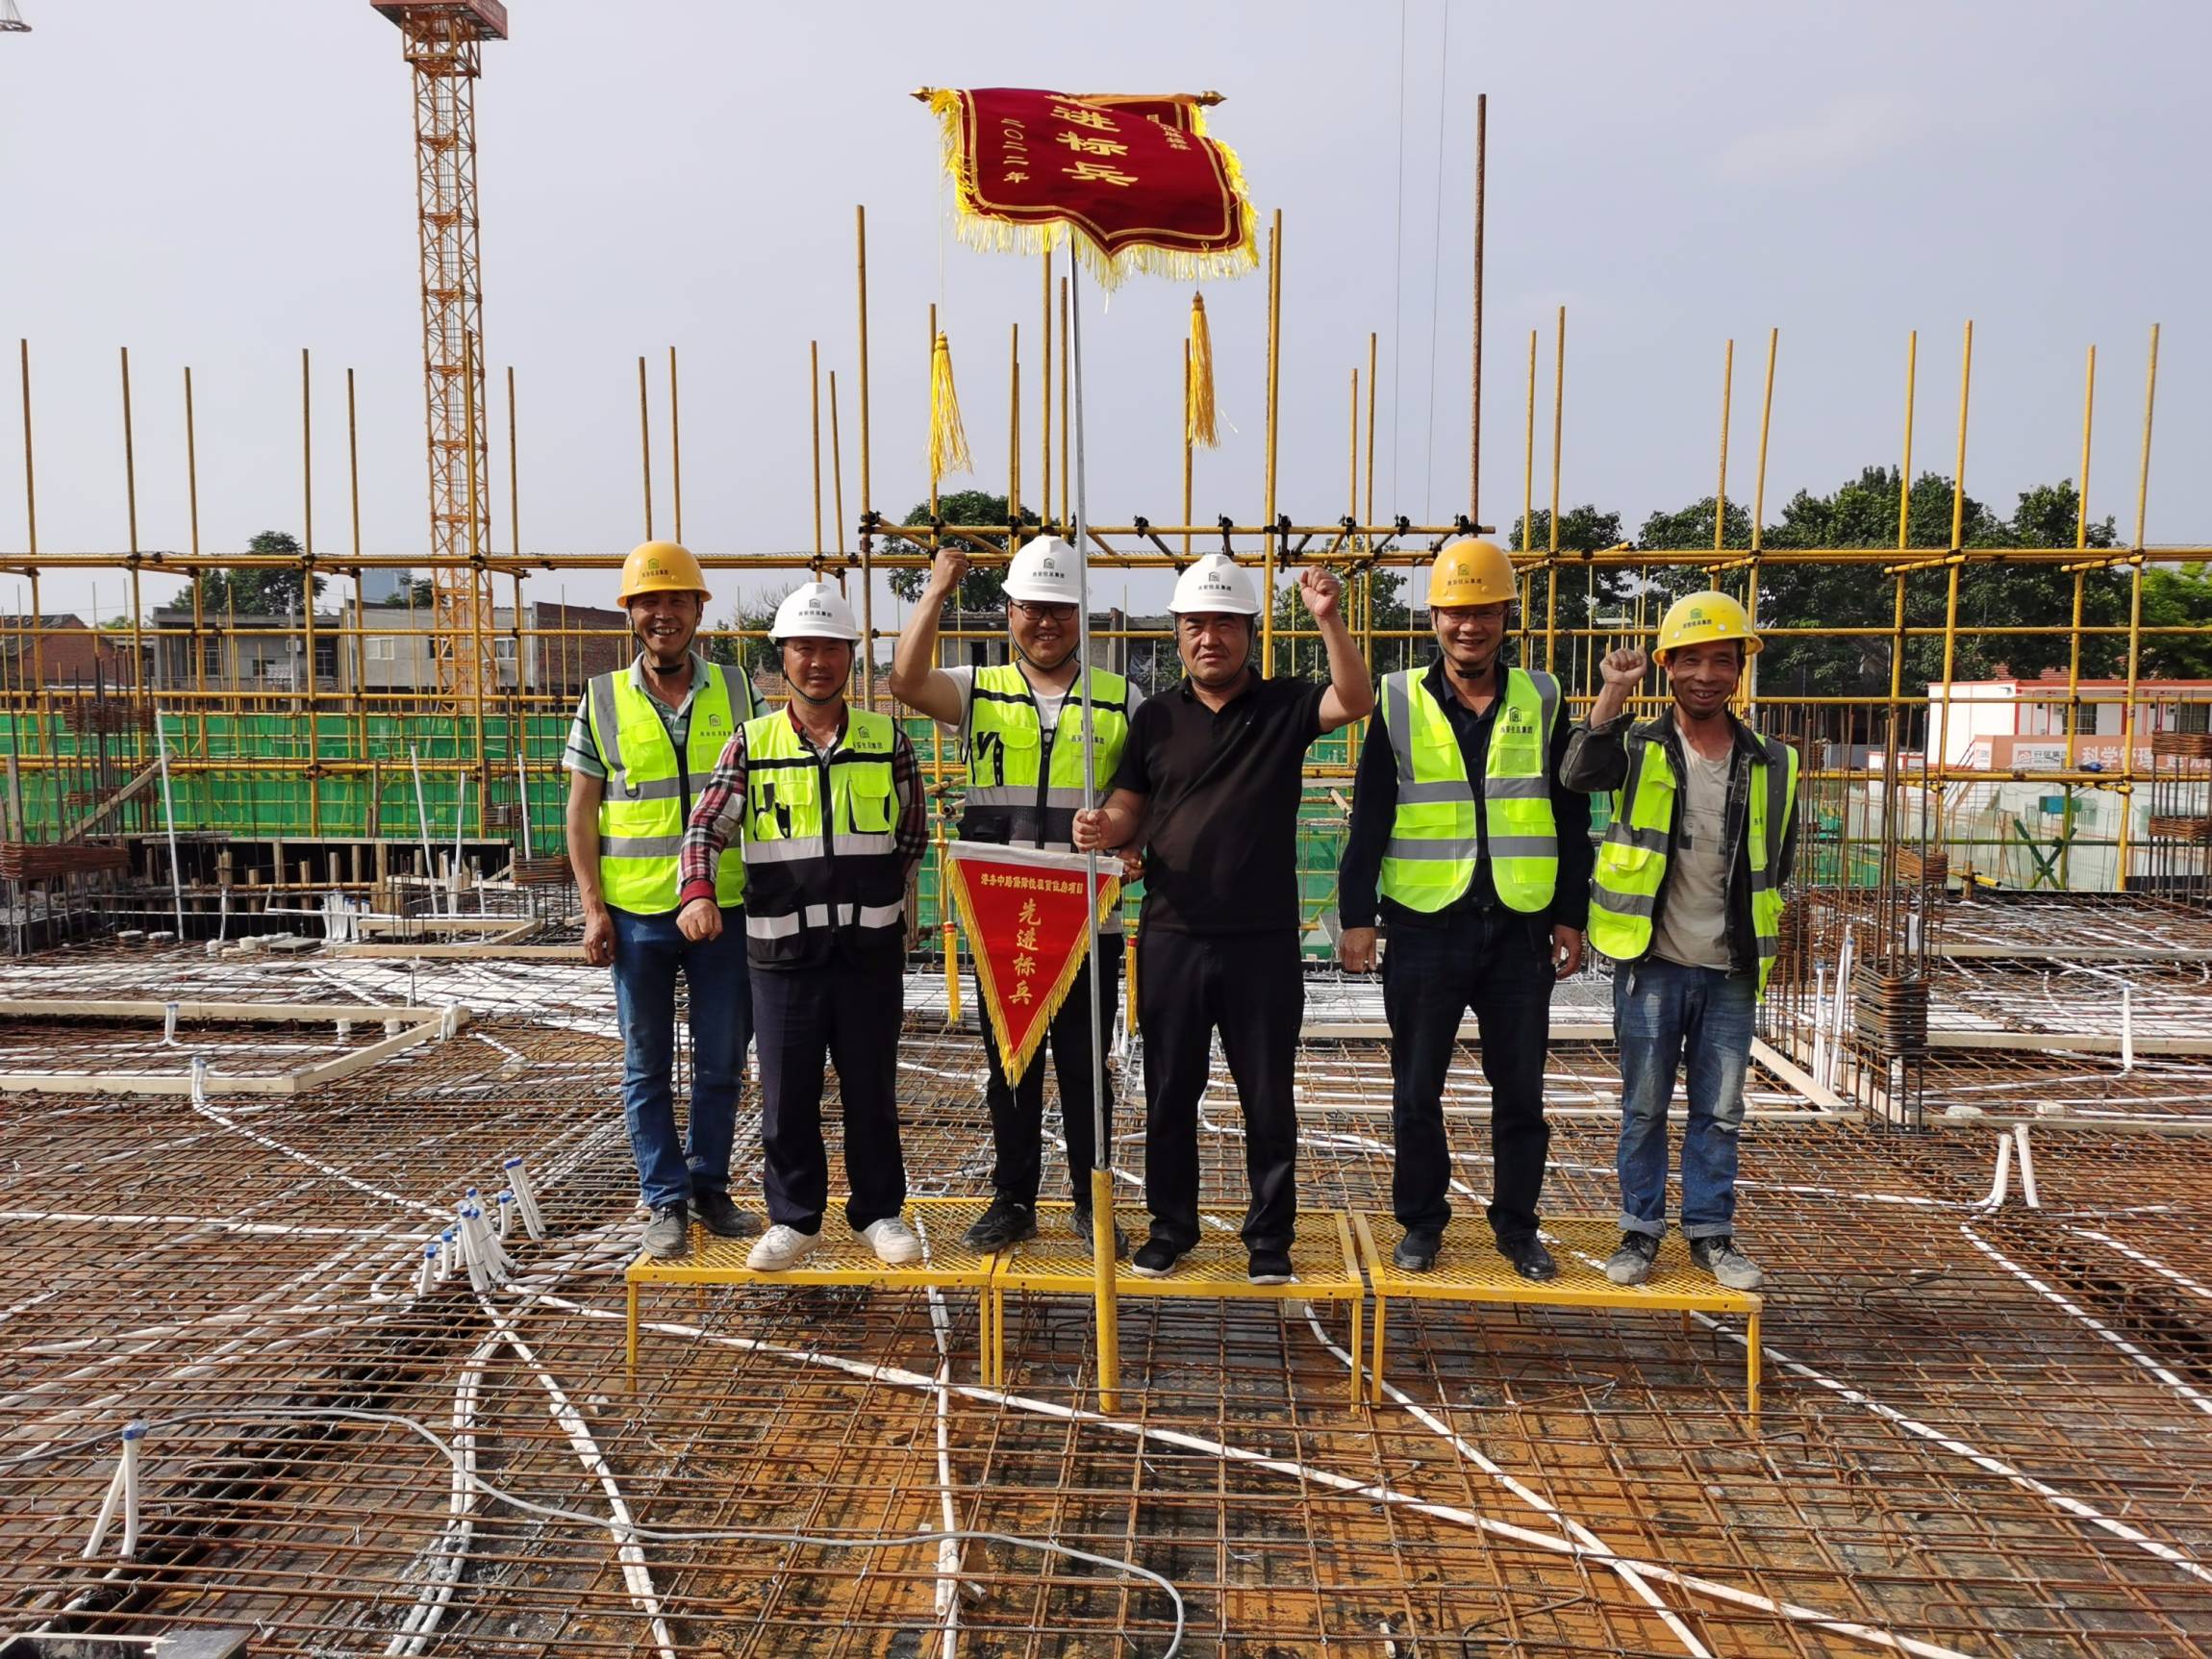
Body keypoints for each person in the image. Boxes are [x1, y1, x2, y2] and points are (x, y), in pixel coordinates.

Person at [1073, 553, 1374, 1285]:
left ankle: (1269, 1237)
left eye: (1225, 624)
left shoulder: (1285, 706)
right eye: (1196, 625)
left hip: (1261, 940)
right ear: (1178, 634)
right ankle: (1171, 1227)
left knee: (1267, 1096)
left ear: (1250, 632)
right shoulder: (1155, 717)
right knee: (1170, 1092)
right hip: (1173, 933)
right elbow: (1131, 804)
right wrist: (1105, 826)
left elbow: (1356, 698)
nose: (1210, 638)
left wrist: (1329, 618)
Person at [1337, 540, 1593, 1280]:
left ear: (1507, 616)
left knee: (1521, 1092)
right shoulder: (1397, 699)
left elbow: (1569, 813)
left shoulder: (1543, 697)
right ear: (1435, 618)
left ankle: (1517, 1225)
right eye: (1455, 612)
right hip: (1425, 924)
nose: (1469, 626)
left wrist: (1570, 913)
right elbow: (1371, 814)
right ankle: (1422, 1222)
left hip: (1520, 926)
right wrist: (1357, 915)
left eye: (1484, 611)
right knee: (1417, 1088)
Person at [888, 536, 1141, 1256]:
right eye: (1033, 607)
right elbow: (905, 681)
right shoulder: (978, 689)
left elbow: (1142, 792)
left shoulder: (1121, 698)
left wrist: (1125, 836)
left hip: (1088, 919)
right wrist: (936, 590)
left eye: (1060, 608)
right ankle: (1013, 1200)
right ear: (1009, 614)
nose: (1046, 621)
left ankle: (1091, 1202)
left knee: (1087, 1070)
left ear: (1079, 615)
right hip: (1004, 917)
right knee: (1010, 1067)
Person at [677, 582, 930, 1270]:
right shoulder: (751, 743)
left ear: (851, 656)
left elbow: (912, 832)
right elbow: (705, 828)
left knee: (871, 1091)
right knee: (787, 1097)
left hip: (868, 954)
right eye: (803, 648)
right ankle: (795, 1219)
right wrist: (697, 892)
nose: (818, 661)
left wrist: (878, 896)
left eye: (831, 648)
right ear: (782, 657)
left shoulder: (886, 739)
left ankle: (878, 1212)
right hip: (782, 954)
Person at [1563, 591, 1798, 1293]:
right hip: (1653, 962)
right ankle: (1639, 1230)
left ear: (1739, 670)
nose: (1706, 675)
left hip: (1730, 968)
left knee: (1720, 1112)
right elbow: (1577, 773)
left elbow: (1777, 859)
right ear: (1667, 666)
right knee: (1643, 1108)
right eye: (1691, 660)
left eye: (1721, 661)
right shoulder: (1638, 745)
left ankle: (1710, 1233)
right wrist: (1613, 691)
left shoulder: (1772, 760)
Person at [564, 540, 760, 1260]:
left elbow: (766, 792)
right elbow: (581, 812)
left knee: (721, 1060)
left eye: (677, 599)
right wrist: (593, 907)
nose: (663, 614)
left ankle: (709, 1187)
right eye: (649, 601)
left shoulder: (738, 691)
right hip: (637, 916)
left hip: (725, 908)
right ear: (631, 614)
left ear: (699, 609)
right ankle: (664, 1198)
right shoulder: (602, 698)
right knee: (646, 1065)